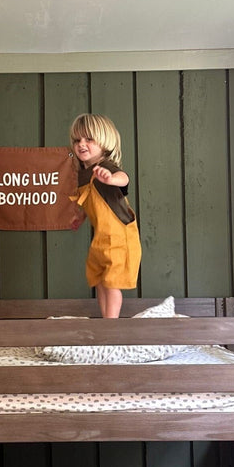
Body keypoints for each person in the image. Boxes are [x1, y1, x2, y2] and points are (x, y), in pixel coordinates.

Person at [69, 113, 142, 318]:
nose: (81, 144)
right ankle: (105, 323)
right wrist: (80, 217)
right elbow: (90, 199)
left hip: (119, 236)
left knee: (111, 283)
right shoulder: (83, 172)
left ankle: (111, 326)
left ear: (104, 143)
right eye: (77, 140)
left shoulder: (105, 166)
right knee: (99, 281)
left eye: (89, 139)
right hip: (101, 237)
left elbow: (124, 178)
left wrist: (111, 179)